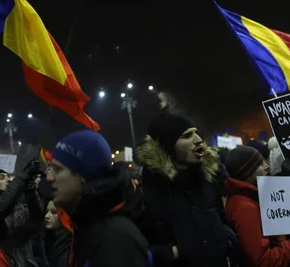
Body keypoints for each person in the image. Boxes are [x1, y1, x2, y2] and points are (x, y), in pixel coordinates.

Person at [137, 113, 232, 266]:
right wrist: (173, 253)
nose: (198, 139)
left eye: (196, 133)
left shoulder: (209, 180)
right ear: (167, 146)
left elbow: (224, 220)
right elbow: (138, 252)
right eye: (187, 136)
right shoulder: (145, 193)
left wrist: (226, 239)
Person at [47, 130, 148, 267]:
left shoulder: (115, 239)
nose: (49, 177)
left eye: (58, 169)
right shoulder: (85, 224)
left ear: (84, 175)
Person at [224, 145, 290, 266]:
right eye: (260, 164)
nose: (267, 166)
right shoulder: (244, 208)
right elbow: (263, 261)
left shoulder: (249, 198)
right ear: (246, 173)